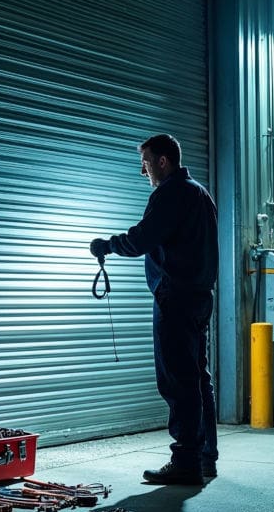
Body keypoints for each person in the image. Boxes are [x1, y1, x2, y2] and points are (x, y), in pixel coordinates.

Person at [90, 134, 219, 485]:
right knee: (197, 378)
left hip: (175, 299)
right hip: (199, 297)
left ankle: (186, 461)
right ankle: (205, 457)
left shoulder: (171, 192)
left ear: (163, 161)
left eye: (146, 162)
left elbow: (144, 237)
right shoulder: (200, 194)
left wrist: (108, 245)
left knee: (177, 380)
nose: (142, 170)